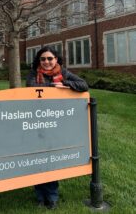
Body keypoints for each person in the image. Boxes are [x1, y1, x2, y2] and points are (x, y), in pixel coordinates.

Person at [26, 46, 88, 210]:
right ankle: (40, 195)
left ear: (56, 60)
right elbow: (31, 88)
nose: (46, 62)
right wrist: (55, 88)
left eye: (50, 58)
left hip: (56, 122)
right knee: (38, 158)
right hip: (37, 122)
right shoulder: (34, 74)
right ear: (39, 60)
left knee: (51, 159)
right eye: (43, 59)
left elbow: (83, 85)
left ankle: (52, 196)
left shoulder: (64, 73)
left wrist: (65, 84)